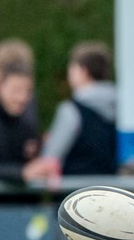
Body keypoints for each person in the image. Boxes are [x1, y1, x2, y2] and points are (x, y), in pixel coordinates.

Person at [22, 41, 118, 182]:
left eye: (72, 67)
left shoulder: (71, 110)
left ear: (83, 71)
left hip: (75, 194)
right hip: (111, 193)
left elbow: (50, 158)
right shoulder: (121, 109)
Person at [0, 40, 41, 182]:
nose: (22, 98)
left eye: (26, 90)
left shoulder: (25, 111)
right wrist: (22, 172)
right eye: (16, 90)